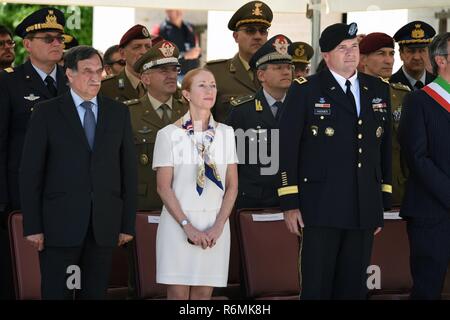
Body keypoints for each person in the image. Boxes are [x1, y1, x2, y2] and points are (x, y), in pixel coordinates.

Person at [278, 22, 392, 299]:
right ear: (326, 55)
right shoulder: (305, 89)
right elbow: (286, 147)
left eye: (354, 47)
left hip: (362, 205)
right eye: (342, 48)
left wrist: (382, 198)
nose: (351, 53)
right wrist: (289, 201)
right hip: (320, 205)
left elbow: (384, 147)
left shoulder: (376, 88)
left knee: (353, 288)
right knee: (318, 286)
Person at [19, 45, 137, 299]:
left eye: (99, 70)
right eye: (87, 71)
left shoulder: (119, 113)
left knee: (94, 294)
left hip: (103, 227)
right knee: (57, 293)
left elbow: (128, 171)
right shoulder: (46, 112)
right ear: (69, 74)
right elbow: (31, 173)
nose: (96, 77)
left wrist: (127, 223)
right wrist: (33, 226)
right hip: (58, 227)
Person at [0, 8, 69, 299]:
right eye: (48, 38)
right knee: (20, 275)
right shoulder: (8, 82)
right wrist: (3, 199)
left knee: (64, 276)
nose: (57, 43)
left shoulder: (74, 80)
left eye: (60, 38)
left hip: (68, 195)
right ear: (27, 44)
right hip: (23, 196)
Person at [153, 68, 238, 299]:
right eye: (202, 85)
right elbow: (164, 187)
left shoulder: (227, 133)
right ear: (187, 94)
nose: (209, 90)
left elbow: (232, 186)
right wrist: (186, 225)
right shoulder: (169, 134)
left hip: (215, 223)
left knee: (203, 295)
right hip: (178, 223)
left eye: (212, 85)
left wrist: (219, 224)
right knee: (178, 294)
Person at [399, 32, 450, 300]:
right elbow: (417, 157)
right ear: (441, 60)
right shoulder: (419, 101)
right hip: (431, 213)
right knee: (428, 289)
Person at [227, 34, 293, 209]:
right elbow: (231, 160)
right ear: (261, 75)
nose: (286, 72)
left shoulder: (301, 107)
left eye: (288, 67)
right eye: (278, 67)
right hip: (252, 201)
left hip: (292, 199)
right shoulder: (242, 111)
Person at [127, 40, 188, 210]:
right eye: (163, 70)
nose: (171, 76)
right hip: (145, 204)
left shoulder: (189, 111)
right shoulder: (129, 113)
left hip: (184, 203)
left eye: (174, 70)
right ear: (145, 78)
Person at [359, 32, 411, 207]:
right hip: (359, 188)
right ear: (363, 59)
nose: (389, 60)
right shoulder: (350, 94)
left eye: (391, 54)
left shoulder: (403, 96)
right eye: (381, 54)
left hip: (398, 189)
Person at [206, 1, 272, 122]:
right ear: (236, 36)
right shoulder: (215, 73)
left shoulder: (280, 72)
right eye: (250, 31)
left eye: (263, 31)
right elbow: (202, 121)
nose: (258, 36)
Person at [100, 24, 151, 101]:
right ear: (122, 53)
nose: (144, 52)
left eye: (148, 47)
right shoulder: (106, 88)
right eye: (137, 47)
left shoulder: (161, 85)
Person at [391, 21, 436, 91]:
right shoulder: (389, 85)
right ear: (401, 54)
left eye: (421, 51)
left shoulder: (439, 85)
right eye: (411, 51)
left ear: (429, 53)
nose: (417, 57)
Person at [159, 9, 201, 80]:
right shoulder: (161, 30)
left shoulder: (189, 26)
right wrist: (185, 56)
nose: (178, 11)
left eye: (180, 7)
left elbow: (196, 47)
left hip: (193, 74)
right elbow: (160, 57)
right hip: (174, 77)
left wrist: (197, 52)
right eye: (174, 9)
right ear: (167, 11)